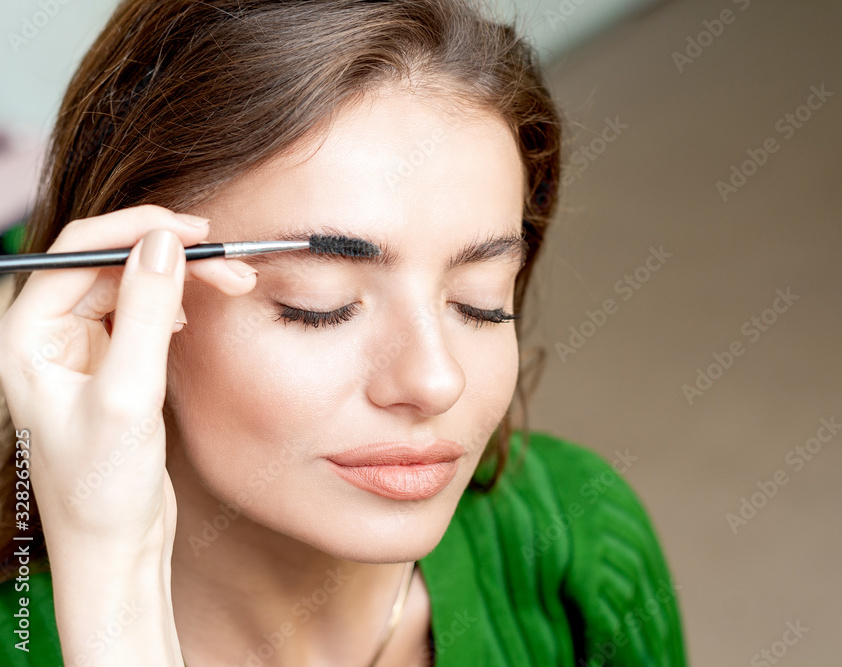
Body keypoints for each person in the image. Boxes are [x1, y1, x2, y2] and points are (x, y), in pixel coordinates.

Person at [0, 0, 687, 665]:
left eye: (479, 302)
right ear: (118, 305)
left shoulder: (579, 542)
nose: (435, 378)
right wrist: (114, 604)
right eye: (318, 305)